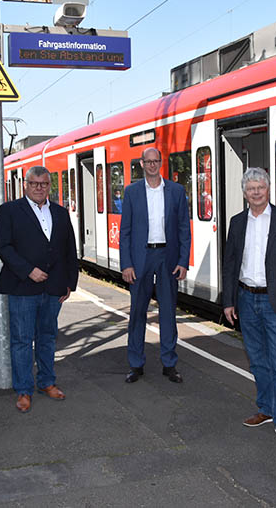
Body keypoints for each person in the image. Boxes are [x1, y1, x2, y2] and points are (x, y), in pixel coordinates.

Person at [222, 167, 276, 445]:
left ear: (269, 189)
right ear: (244, 193)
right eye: (251, 188)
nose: (256, 192)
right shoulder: (236, 222)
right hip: (246, 299)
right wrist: (229, 302)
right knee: (257, 361)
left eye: (261, 187)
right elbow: (230, 264)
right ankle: (265, 409)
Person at [0, 165, 79, 413]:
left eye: (43, 184)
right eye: (34, 183)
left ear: (49, 186)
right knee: (22, 340)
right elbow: (4, 246)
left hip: (53, 288)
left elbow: (69, 251)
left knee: (47, 337)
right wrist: (28, 270)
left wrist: (69, 283)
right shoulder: (9, 211)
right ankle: (23, 390)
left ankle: (46, 382)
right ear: (25, 185)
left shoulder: (61, 213)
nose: (39, 188)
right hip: (22, 286)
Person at [120, 147, 191, 384]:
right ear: (141, 164)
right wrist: (126, 264)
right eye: (148, 161)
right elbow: (126, 232)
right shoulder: (131, 192)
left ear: (161, 163)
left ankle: (169, 364)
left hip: (167, 257)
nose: (152, 165)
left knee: (168, 312)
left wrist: (183, 261)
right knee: (138, 312)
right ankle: (135, 364)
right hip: (140, 259)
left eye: (155, 161)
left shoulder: (176, 191)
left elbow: (183, 228)